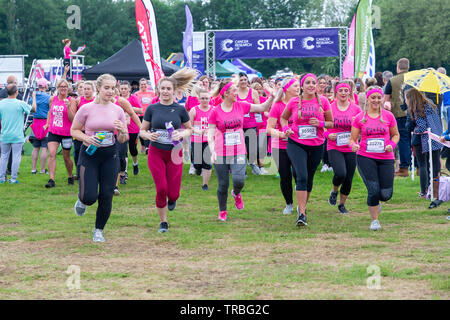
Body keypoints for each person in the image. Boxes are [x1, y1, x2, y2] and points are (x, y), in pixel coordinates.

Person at [208, 79, 277, 222]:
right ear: (226, 94)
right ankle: (223, 211)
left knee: (239, 180)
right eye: (234, 91)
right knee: (223, 184)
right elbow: (210, 133)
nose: (236, 93)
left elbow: (263, 107)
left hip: (238, 150)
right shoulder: (215, 112)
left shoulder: (242, 106)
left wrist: (272, 96)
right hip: (221, 152)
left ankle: (236, 193)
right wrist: (212, 150)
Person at [71, 74, 128, 243]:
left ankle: (98, 230)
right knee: (89, 197)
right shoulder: (86, 109)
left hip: (110, 156)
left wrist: (122, 131)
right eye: (107, 88)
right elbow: (74, 130)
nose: (110, 91)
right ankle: (82, 200)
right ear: (99, 88)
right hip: (89, 155)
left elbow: (123, 139)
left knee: (106, 194)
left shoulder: (117, 110)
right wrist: (86, 138)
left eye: (113, 88)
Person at [139, 68, 197, 233]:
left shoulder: (180, 109)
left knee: (173, 193)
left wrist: (181, 133)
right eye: (162, 88)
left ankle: (172, 200)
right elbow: (142, 130)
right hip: (156, 152)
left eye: (168, 89)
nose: (165, 91)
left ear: (174, 91)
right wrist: (148, 136)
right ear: (158, 90)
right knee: (161, 188)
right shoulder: (152, 108)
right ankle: (163, 222)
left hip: (174, 153)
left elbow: (189, 129)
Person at [280, 73, 333, 227]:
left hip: (316, 145)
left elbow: (331, 122)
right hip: (296, 143)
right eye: (308, 83)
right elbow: (284, 118)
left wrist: (321, 123)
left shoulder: (323, 101)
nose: (311, 85)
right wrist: (286, 128)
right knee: (301, 176)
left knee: (309, 178)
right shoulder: (293, 101)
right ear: (301, 86)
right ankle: (302, 214)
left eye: (313, 83)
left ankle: (301, 206)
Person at [349, 86, 400, 231]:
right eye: (373, 97)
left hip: (386, 157)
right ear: (368, 99)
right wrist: (353, 145)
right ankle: (375, 221)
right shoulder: (360, 118)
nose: (376, 100)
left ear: (382, 98)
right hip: (366, 157)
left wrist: (391, 144)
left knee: (385, 194)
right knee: (373, 189)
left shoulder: (388, 116)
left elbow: (396, 135)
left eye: (379, 97)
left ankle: (378, 203)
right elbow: (352, 139)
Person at [325, 81, 362, 214]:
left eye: (346, 91)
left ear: (349, 92)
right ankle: (334, 191)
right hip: (334, 146)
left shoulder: (356, 109)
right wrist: (328, 135)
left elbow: (361, 126)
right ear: (336, 92)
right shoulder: (330, 107)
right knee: (341, 173)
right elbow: (323, 125)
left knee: (349, 178)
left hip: (351, 147)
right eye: (341, 91)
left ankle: (342, 204)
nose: (343, 93)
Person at [406, 88, 443, 209]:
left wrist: (410, 123)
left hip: (422, 140)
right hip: (436, 138)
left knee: (423, 165)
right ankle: (436, 190)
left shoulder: (415, 109)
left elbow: (417, 127)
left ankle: (424, 191)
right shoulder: (431, 105)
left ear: (410, 98)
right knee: (435, 165)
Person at [266, 77, 299, 214]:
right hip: (280, 146)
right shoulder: (278, 106)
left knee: (300, 176)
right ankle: (289, 204)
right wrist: (282, 134)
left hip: (299, 145)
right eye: (295, 86)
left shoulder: (301, 103)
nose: (298, 88)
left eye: (299, 86)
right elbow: (269, 128)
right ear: (286, 89)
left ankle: (301, 205)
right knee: (285, 177)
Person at [0, 84, 36, 183]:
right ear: (16, 92)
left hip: (4, 134)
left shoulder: (1, 103)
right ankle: (13, 178)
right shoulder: (20, 103)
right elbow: (33, 109)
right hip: (17, 135)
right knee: (16, 157)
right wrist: (33, 98)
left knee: (3, 156)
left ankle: (2, 178)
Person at [43, 79, 74, 188]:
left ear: (68, 88)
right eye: (61, 86)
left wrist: (68, 106)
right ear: (58, 88)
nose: (63, 88)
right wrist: (47, 123)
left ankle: (70, 176)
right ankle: (51, 179)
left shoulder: (71, 100)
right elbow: (49, 112)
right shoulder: (53, 99)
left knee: (66, 157)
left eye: (65, 86)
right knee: (52, 154)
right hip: (53, 131)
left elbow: (72, 118)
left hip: (66, 132)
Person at [384, 58, 411, 177]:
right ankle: (420, 167)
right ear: (408, 67)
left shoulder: (392, 81)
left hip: (399, 114)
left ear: (397, 67)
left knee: (404, 140)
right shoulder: (415, 79)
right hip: (414, 113)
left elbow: (386, 101)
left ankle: (404, 168)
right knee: (417, 140)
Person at [69, 81, 95, 180]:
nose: (86, 91)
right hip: (80, 131)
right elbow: (74, 117)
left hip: (91, 131)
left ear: (93, 90)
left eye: (88, 89)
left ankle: (91, 171)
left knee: (90, 151)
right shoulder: (78, 100)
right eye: (84, 89)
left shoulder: (95, 101)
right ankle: (79, 172)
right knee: (78, 151)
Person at [237, 72, 261, 175]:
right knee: (239, 148)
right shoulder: (234, 92)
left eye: (244, 80)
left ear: (247, 81)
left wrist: (248, 107)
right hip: (237, 125)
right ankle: (242, 169)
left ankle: (252, 163)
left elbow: (259, 108)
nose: (243, 82)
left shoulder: (253, 92)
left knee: (252, 147)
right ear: (237, 82)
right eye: (241, 80)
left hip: (250, 124)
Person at [189, 88, 213, 190]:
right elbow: (189, 126)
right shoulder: (194, 110)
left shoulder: (214, 109)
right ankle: (197, 168)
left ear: (210, 99)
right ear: (199, 99)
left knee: (207, 162)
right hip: (197, 139)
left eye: (206, 98)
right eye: (202, 98)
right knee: (198, 164)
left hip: (209, 141)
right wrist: (198, 131)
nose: (204, 100)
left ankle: (205, 184)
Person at [119, 81, 143, 177]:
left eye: (125, 88)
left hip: (133, 128)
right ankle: (124, 171)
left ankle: (135, 163)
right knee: (123, 150)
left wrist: (129, 107)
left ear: (129, 89)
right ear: (119, 90)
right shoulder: (118, 99)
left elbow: (141, 110)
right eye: (122, 88)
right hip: (122, 128)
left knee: (132, 149)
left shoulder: (133, 98)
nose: (124, 90)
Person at [30, 78, 51, 174]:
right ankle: (43, 170)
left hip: (35, 123)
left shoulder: (33, 97)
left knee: (35, 148)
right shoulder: (48, 97)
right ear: (46, 86)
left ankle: (33, 169)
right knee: (44, 148)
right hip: (45, 124)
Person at [251, 81, 270, 174]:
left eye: (259, 89)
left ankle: (261, 166)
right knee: (254, 148)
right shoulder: (249, 101)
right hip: (252, 126)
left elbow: (266, 111)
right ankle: (255, 166)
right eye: (256, 89)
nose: (258, 91)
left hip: (263, 125)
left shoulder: (264, 100)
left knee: (262, 146)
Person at [135, 78, 155, 153]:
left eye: (144, 84)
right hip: (140, 115)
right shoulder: (136, 94)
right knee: (142, 130)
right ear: (139, 85)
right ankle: (144, 145)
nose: (143, 85)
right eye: (141, 84)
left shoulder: (152, 93)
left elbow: (154, 103)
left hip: (150, 114)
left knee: (149, 130)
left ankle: (147, 147)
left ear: (147, 85)